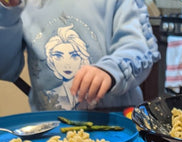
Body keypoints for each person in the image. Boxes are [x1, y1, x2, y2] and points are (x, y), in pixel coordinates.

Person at [0, 0, 160, 111]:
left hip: (117, 127)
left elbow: (141, 48)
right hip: (48, 132)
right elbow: (5, 70)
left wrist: (110, 70)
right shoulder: (25, 4)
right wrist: (6, 14)